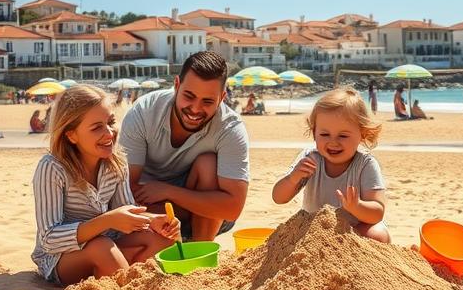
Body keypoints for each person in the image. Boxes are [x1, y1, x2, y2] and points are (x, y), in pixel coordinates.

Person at [32, 84, 179, 286]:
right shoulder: (52, 168)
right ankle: (127, 287)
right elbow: (49, 239)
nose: (109, 133)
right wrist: (106, 221)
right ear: (71, 135)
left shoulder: (115, 163)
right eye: (96, 127)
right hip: (61, 258)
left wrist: (153, 220)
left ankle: (113, 272)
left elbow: (126, 211)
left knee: (162, 238)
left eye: (110, 122)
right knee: (101, 247)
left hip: (107, 241)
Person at [118, 51, 249, 242]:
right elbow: (125, 191)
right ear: (177, 86)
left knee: (208, 163)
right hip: (151, 206)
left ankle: (199, 253)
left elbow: (232, 209)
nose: (195, 109)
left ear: (221, 98)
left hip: (203, 212)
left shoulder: (230, 128)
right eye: (189, 96)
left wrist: (169, 191)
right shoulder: (145, 112)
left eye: (207, 101)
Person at [272, 87, 389, 243]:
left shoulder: (365, 165)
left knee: (378, 234)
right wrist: (293, 178)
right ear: (314, 133)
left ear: (363, 134)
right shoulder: (311, 159)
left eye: (343, 135)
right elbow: (278, 198)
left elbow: (377, 212)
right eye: (325, 134)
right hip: (314, 233)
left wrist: (357, 206)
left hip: (353, 232)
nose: (333, 142)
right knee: (285, 234)